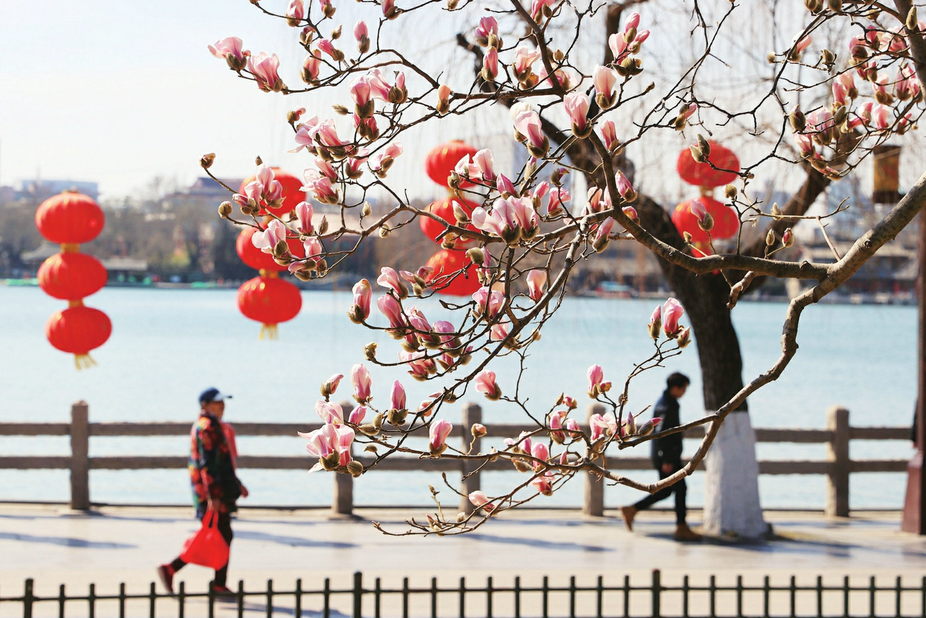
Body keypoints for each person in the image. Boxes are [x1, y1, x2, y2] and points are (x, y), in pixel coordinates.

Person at [158, 388, 248, 595]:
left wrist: (237, 483)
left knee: (221, 534)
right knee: (219, 535)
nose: (222, 406)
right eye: (217, 403)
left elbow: (222, 462)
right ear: (205, 405)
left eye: (223, 402)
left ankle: (212, 581)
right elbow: (208, 465)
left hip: (216, 490)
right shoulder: (207, 428)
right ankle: (175, 569)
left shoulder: (213, 426)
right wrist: (213, 496)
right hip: (212, 493)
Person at [620, 372, 701, 541]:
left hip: (666, 456)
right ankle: (681, 527)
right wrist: (667, 459)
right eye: (684, 388)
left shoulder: (668, 402)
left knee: (667, 490)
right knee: (678, 489)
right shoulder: (667, 405)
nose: (684, 392)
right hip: (666, 457)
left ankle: (632, 509)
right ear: (676, 387)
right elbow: (661, 431)